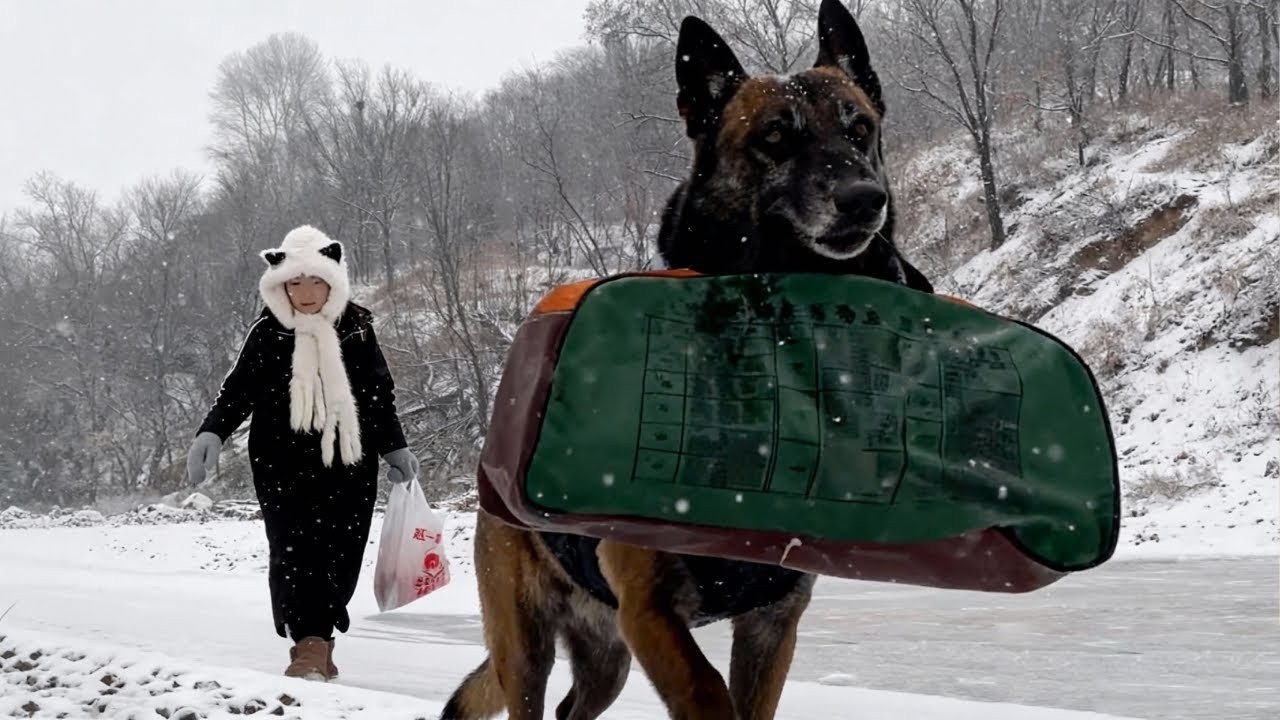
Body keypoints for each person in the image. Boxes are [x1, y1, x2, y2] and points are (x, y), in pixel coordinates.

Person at [185, 224, 419, 682]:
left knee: (341, 551)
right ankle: (307, 643)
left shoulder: (356, 328)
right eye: (295, 282)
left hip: (348, 459)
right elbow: (237, 391)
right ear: (279, 284)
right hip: (281, 461)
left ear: (333, 279)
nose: (306, 292)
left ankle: (321, 640)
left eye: (316, 281)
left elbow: (376, 395)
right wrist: (211, 432)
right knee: (296, 550)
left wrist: (394, 447)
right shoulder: (266, 333)